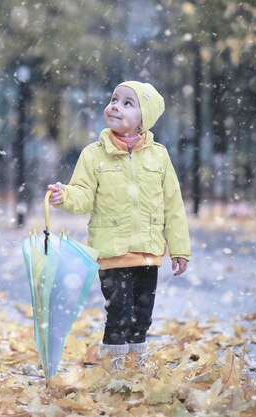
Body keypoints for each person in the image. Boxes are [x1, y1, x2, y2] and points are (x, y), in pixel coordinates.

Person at [47, 81, 191, 371]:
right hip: (111, 253)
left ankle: (135, 364)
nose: (115, 106)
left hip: (148, 253)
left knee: (142, 315)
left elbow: (172, 205)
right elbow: (83, 194)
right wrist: (66, 196)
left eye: (127, 103)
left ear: (143, 120)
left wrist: (179, 249)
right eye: (114, 99)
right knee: (119, 313)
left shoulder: (159, 156)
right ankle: (114, 368)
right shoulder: (93, 154)